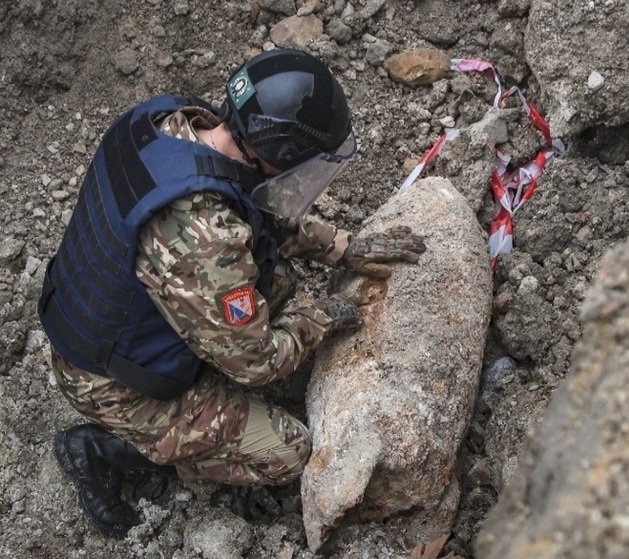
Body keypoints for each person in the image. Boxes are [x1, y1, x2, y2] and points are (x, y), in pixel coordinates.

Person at [38, 48, 426, 538]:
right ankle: (102, 449)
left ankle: (205, 376)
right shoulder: (203, 235)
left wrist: (343, 248)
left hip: (102, 320)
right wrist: (321, 318)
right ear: (280, 151)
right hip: (114, 383)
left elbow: (253, 206)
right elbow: (259, 362)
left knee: (274, 277)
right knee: (286, 452)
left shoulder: (173, 122)